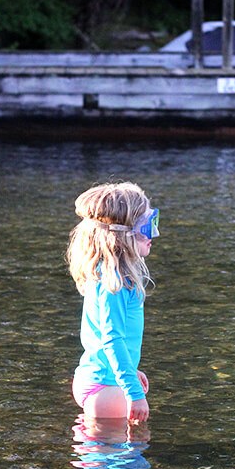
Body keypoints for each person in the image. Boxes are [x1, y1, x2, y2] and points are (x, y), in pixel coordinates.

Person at [66, 181, 159, 423]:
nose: (154, 234)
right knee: (127, 458)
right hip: (105, 386)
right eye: (148, 226)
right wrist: (133, 392)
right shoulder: (115, 283)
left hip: (99, 379)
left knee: (100, 454)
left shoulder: (105, 273)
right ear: (124, 234)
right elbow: (112, 338)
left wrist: (130, 370)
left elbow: (108, 339)